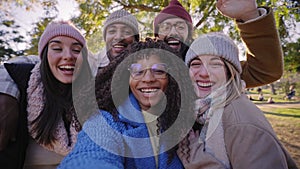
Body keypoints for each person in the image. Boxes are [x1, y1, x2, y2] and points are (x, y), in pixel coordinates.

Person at [58, 38, 196, 169]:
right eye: (138, 71)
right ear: (126, 78)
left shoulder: (182, 120)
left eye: (159, 71)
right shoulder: (107, 120)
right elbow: (89, 157)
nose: (148, 79)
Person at [177, 32, 297, 169]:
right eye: (196, 64)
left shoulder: (242, 124)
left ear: (230, 72)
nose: (204, 73)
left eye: (215, 64)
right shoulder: (206, 111)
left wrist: (199, 160)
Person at [0, 20, 93, 169]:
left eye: (76, 50)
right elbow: (8, 66)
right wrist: (5, 93)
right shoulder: (23, 85)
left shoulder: (95, 94)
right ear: (43, 57)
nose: (68, 56)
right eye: (57, 48)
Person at [153, 0, 284, 88]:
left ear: (189, 34)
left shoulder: (210, 66)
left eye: (180, 27)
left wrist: (249, 15)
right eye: (165, 27)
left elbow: (266, 71)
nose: (173, 32)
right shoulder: (141, 63)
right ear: (156, 34)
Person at [89, 9, 139, 76]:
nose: (118, 37)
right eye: (112, 31)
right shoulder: (92, 70)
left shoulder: (147, 70)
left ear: (135, 40)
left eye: (127, 32)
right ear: (105, 38)